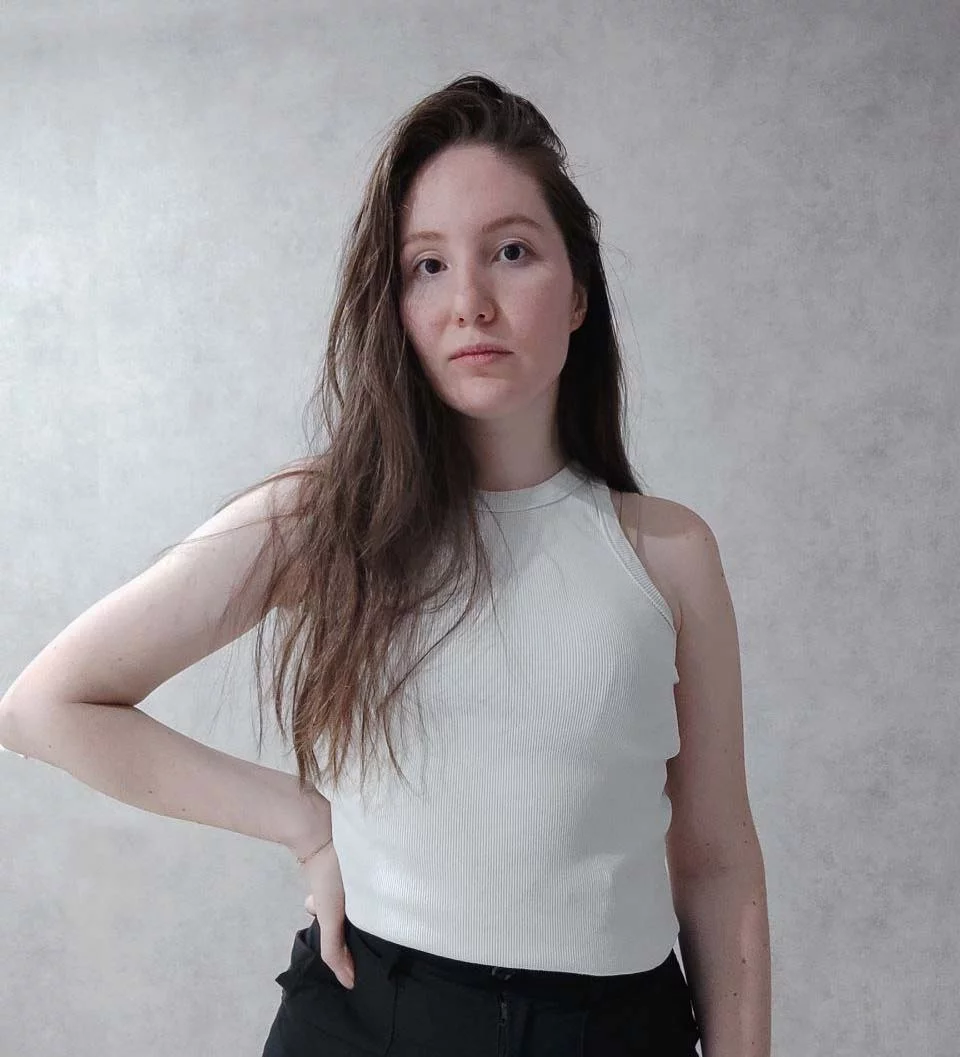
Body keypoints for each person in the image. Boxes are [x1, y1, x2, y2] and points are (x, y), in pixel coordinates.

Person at [0, 74, 771, 1056]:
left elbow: (716, 862)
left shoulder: (667, 555)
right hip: (369, 1022)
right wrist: (301, 819)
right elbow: (44, 706)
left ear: (579, 292)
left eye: (511, 252)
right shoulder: (324, 521)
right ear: (393, 304)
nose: (471, 303)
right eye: (428, 266)